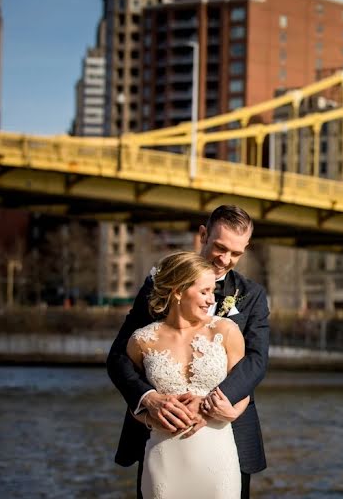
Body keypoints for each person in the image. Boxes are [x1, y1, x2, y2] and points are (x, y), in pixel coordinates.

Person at [108, 205, 269, 499]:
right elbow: (119, 357)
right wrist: (149, 399)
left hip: (226, 432)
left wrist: (212, 404)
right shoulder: (160, 283)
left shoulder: (252, 294)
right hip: (160, 430)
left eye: (236, 253)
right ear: (203, 235)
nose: (226, 259)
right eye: (220, 247)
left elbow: (256, 362)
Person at [126, 251, 246, 498]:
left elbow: (243, 389)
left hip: (217, 455)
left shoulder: (226, 331)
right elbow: (133, 401)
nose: (210, 300)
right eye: (204, 292)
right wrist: (151, 419)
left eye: (212, 292)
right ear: (178, 291)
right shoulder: (142, 341)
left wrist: (228, 411)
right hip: (163, 458)